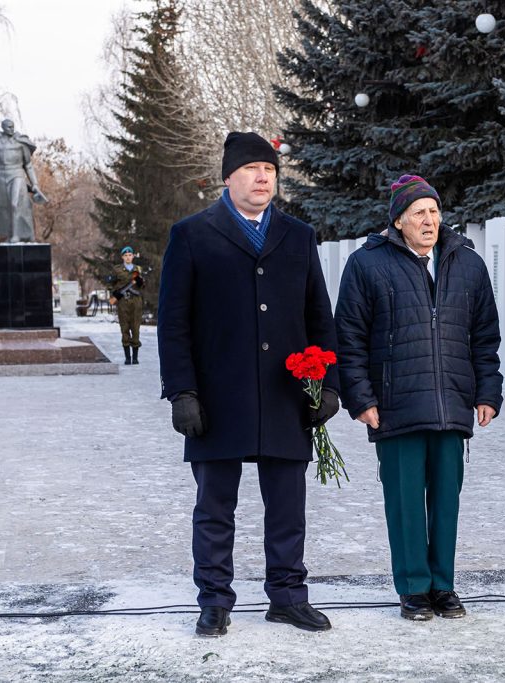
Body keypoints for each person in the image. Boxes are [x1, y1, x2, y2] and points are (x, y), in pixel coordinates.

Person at [157, 132, 340, 637]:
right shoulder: (192, 234)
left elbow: (318, 316)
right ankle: (215, 600)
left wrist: (328, 384)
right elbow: (174, 322)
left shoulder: (298, 235)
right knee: (215, 506)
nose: (264, 177)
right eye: (253, 168)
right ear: (227, 177)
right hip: (218, 396)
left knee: (287, 506)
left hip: (287, 394)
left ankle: (287, 596)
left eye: (271, 170)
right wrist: (182, 392)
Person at [334, 174, 503, 621]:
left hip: (452, 402)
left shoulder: (466, 263)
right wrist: (361, 398)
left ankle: (443, 587)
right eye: (418, 214)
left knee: (446, 501)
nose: (429, 221)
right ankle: (413, 588)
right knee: (406, 502)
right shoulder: (367, 264)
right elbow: (348, 338)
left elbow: (485, 336)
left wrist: (488, 391)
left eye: (433, 212)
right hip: (395, 405)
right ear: (398, 221)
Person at [0, 93, 47, 242]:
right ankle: (10, 235)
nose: (11, 129)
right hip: (2, 176)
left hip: (17, 175)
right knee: (5, 207)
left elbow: (28, 165)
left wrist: (35, 185)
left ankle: (16, 235)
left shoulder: (20, 142)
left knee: (15, 203)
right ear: (3, 127)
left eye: (13, 126)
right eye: (8, 127)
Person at [108, 246, 144, 365]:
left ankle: (135, 357)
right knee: (124, 328)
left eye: (130, 255)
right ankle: (127, 357)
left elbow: (143, 286)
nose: (128, 257)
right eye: (126, 255)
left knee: (135, 328)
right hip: (123, 301)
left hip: (136, 301)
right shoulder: (117, 269)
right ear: (123, 257)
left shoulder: (138, 269)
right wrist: (115, 293)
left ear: (133, 256)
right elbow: (111, 283)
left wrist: (140, 282)